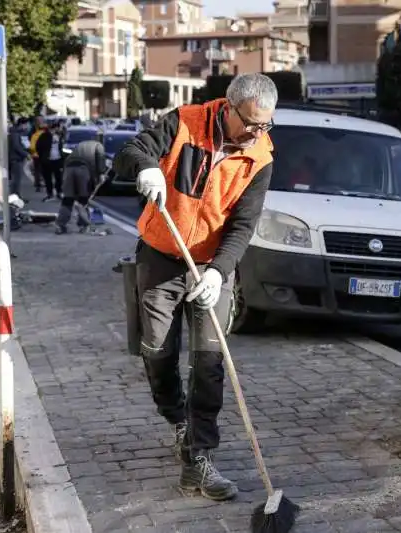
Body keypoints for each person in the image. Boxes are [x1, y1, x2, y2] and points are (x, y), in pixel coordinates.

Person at [112, 73, 277, 502]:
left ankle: (197, 458)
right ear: (229, 107)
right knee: (157, 352)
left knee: (208, 363)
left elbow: (243, 226)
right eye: (253, 123)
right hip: (160, 258)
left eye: (266, 125)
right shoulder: (183, 122)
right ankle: (176, 418)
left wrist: (220, 272)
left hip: (211, 268)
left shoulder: (260, 157)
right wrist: (146, 167)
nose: (259, 133)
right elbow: (130, 150)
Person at [55, 139, 106, 234]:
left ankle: (60, 225)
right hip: (83, 169)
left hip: (68, 168)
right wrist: (102, 173)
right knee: (83, 198)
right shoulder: (99, 146)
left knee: (68, 199)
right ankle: (83, 225)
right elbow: (100, 157)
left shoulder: (80, 144)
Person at [35, 122, 64, 201]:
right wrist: (42, 156)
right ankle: (50, 193)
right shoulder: (44, 136)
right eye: (59, 128)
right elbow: (38, 146)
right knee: (48, 178)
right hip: (47, 160)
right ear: (55, 128)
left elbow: (60, 147)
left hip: (57, 159)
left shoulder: (59, 136)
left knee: (58, 178)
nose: (60, 129)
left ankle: (59, 192)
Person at [8, 118, 30, 198]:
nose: (27, 126)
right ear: (21, 124)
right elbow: (16, 147)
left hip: (18, 158)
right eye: (26, 124)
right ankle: (15, 197)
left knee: (17, 179)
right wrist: (26, 154)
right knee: (16, 180)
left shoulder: (20, 133)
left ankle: (17, 196)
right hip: (16, 159)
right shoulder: (15, 134)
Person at [29, 117, 47, 192]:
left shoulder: (43, 129)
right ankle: (38, 184)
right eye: (39, 120)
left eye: (41, 120)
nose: (40, 122)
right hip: (37, 153)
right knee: (37, 169)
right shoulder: (33, 130)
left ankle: (40, 183)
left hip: (42, 152)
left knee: (42, 169)